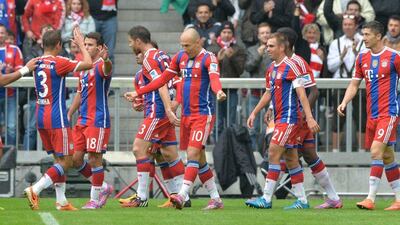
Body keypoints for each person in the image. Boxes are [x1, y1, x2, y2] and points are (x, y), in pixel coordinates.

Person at [124, 28, 227, 210]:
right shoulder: (180, 57)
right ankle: (216, 198)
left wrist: (218, 90)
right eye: (182, 45)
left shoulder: (209, 57)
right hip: (187, 116)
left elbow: (214, 77)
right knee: (197, 158)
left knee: (192, 155)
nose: (184, 48)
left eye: (187, 45)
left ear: (198, 43)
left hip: (202, 115)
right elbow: (162, 79)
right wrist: (139, 92)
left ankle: (181, 195)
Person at [244, 32, 319, 210]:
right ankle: (302, 200)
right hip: (280, 118)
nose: (267, 49)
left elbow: (302, 94)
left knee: (273, 152)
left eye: (271, 46)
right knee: (291, 158)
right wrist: (255, 112)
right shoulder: (271, 68)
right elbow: (269, 92)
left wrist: (309, 118)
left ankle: (266, 198)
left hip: (290, 118)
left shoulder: (292, 67)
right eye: (267, 45)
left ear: (282, 47)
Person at [23, 28, 93, 211]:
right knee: (67, 162)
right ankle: (35, 189)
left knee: (58, 159)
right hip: (57, 118)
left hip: (40, 117)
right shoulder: (59, 62)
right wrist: (80, 44)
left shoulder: (36, 62)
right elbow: (88, 63)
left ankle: (61, 201)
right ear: (59, 45)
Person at [275, 27, 342, 209]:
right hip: (290, 116)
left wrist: (305, 114)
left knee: (287, 153)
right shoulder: (281, 63)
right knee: (309, 155)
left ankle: (293, 199)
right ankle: (333, 197)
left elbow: (313, 90)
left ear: (285, 44)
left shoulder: (298, 63)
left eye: (276, 41)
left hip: (296, 119)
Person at [120, 26, 185, 208]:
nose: (131, 46)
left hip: (157, 112)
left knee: (138, 149)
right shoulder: (163, 55)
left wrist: (168, 109)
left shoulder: (149, 59)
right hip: (160, 110)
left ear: (138, 41)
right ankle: (182, 195)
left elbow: (161, 84)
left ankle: (141, 197)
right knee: (169, 153)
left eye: (131, 42)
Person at [337, 21, 400, 211]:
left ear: (378, 36)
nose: (363, 38)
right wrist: (344, 102)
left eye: (366, 35)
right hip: (371, 115)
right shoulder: (362, 58)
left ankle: (370, 198)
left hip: (388, 113)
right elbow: (354, 84)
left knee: (376, 151)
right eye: (362, 34)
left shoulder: (394, 57)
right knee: (387, 156)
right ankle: (399, 200)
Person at [67, 32, 113, 209]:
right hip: (82, 120)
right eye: (84, 45)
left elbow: (108, 70)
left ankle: (94, 200)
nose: (86, 47)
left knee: (94, 158)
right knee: (76, 159)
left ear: (100, 48)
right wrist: (70, 112)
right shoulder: (84, 67)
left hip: (97, 119)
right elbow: (80, 92)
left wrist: (107, 60)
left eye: (90, 45)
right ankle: (102, 186)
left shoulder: (102, 64)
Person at [327, 14, 366, 152]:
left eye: (350, 24)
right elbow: (331, 67)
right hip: (340, 85)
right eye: (345, 24)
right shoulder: (335, 43)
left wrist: (356, 53)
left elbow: (366, 64)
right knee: (338, 119)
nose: (347, 27)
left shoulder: (364, 41)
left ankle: (362, 151)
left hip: (359, 85)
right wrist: (341, 56)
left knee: (361, 118)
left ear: (356, 25)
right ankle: (335, 152)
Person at [207, 21, 246, 137]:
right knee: (217, 121)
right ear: (220, 34)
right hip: (215, 90)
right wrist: (217, 60)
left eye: (229, 32)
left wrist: (232, 57)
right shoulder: (211, 48)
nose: (226, 34)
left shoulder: (238, 49)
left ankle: (231, 145)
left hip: (232, 90)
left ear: (233, 34)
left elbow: (241, 70)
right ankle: (216, 148)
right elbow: (207, 69)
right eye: (224, 32)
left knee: (231, 120)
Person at [0, 23, 23, 146]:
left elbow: (21, 69)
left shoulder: (14, 50)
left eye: (2, 32)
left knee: (11, 128)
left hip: (10, 94)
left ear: (6, 35)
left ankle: (12, 157)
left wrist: (11, 71)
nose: (0, 35)